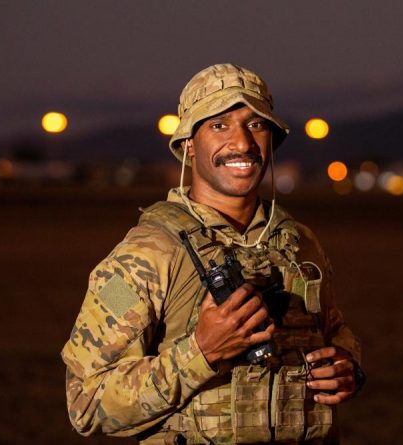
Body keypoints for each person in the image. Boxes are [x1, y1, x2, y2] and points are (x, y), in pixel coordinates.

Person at [61, 63, 364, 444]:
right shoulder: (141, 259)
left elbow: (335, 330)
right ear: (189, 143)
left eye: (256, 125)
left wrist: (346, 365)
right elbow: (86, 404)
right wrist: (200, 352)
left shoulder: (299, 243)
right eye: (219, 125)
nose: (242, 143)